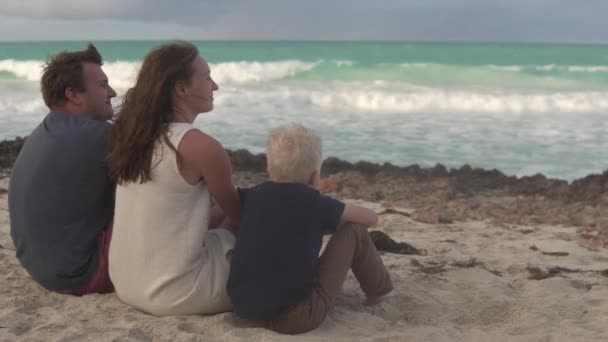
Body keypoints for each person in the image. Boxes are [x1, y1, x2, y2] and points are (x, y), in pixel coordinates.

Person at [107, 41, 241, 316]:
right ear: (181, 88)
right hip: (177, 293)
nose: (214, 86)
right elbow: (238, 215)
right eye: (206, 77)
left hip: (127, 283)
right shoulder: (200, 146)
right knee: (251, 224)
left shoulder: (134, 138)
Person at [227, 124, 393, 334]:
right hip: (297, 318)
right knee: (356, 231)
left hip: (244, 310)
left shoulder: (250, 196)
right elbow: (371, 219)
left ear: (268, 169)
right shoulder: (315, 203)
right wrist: (328, 218)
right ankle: (377, 293)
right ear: (315, 177)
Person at [9, 44, 117, 295]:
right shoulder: (99, 136)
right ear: (73, 95)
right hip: (82, 275)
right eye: (102, 85)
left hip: (42, 269)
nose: (112, 92)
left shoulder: (44, 132)